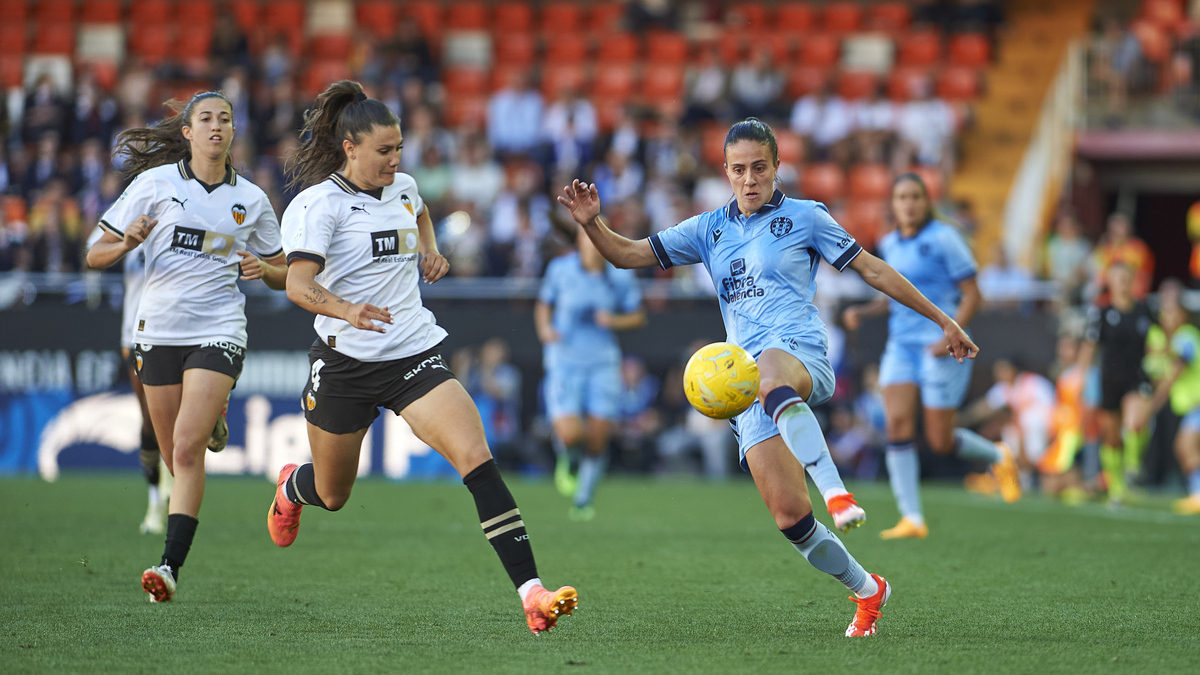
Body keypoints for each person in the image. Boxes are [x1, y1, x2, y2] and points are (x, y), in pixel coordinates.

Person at [557, 118, 980, 637]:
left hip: (798, 354)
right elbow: (630, 254)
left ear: (777, 167)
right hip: (745, 383)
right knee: (791, 519)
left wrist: (944, 318)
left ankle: (838, 493)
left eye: (760, 167)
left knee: (773, 376)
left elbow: (871, 268)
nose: (750, 179)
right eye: (739, 170)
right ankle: (869, 590)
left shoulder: (807, 217)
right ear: (726, 173)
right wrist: (592, 224)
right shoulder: (708, 228)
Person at [274, 81, 576, 634]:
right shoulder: (318, 205)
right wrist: (347, 310)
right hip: (343, 362)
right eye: (384, 151)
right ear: (350, 148)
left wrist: (431, 250)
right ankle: (294, 486)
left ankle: (532, 593)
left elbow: (419, 212)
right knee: (333, 495)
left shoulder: (405, 186)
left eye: (399, 149)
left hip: (412, 351)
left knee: (476, 459)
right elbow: (297, 285)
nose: (395, 160)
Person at [86, 91, 287, 602]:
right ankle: (210, 416)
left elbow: (287, 272)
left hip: (220, 326)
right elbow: (94, 253)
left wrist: (264, 270)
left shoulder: (252, 200)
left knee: (186, 446)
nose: (216, 126)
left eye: (225, 118)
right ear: (188, 132)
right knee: (174, 447)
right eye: (206, 118)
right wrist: (127, 242)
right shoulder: (153, 184)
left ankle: (169, 567)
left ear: (233, 132)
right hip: (156, 331)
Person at [842, 173, 1021, 541]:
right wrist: (866, 311)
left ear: (927, 203)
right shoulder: (890, 242)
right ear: (892, 205)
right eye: (902, 197)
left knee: (939, 440)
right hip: (901, 346)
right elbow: (894, 292)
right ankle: (912, 518)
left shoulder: (945, 238)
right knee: (897, 425)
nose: (908, 203)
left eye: (915, 197)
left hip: (941, 346)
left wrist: (951, 333)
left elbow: (973, 294)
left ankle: (998, 456)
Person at [536, 223, 645, 520]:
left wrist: (613, 321)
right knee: (571, 434)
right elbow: (543, 305)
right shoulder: (560, 269)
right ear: (579, 240)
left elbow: (637, 316)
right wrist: (545, 329)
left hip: (602, 362)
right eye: (588, 235)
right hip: (565, 360)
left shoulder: (619, 274)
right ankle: (568, 458)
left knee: (598, 437)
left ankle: (583, 499)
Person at [1078, 264, 1155, 505]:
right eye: (1116, 278)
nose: (1121, 282)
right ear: (1109, 282)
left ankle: (1133, 466)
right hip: (1109, 379)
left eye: (1125, 277)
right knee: (1112, 438)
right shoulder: (1101, 313)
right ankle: (1117, 487)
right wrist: (1080, 377)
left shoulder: (1145, 310)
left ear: (1133, 280)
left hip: (1137, 377)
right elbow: (1090, 346)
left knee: (1136, 422)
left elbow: (1158, 340)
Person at [1140, 287, 1200, 514]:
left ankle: (1198, 494)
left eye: (1173, 312)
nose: (1167, 317)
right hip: (1192, 408)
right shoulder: (1173, 341)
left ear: (1183, 314)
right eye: (1165, 313)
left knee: (1185, 446)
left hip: (1198, 406)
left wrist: (1153, 404)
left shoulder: (1186, 336)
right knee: (1186, 447)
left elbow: (1174, 373)